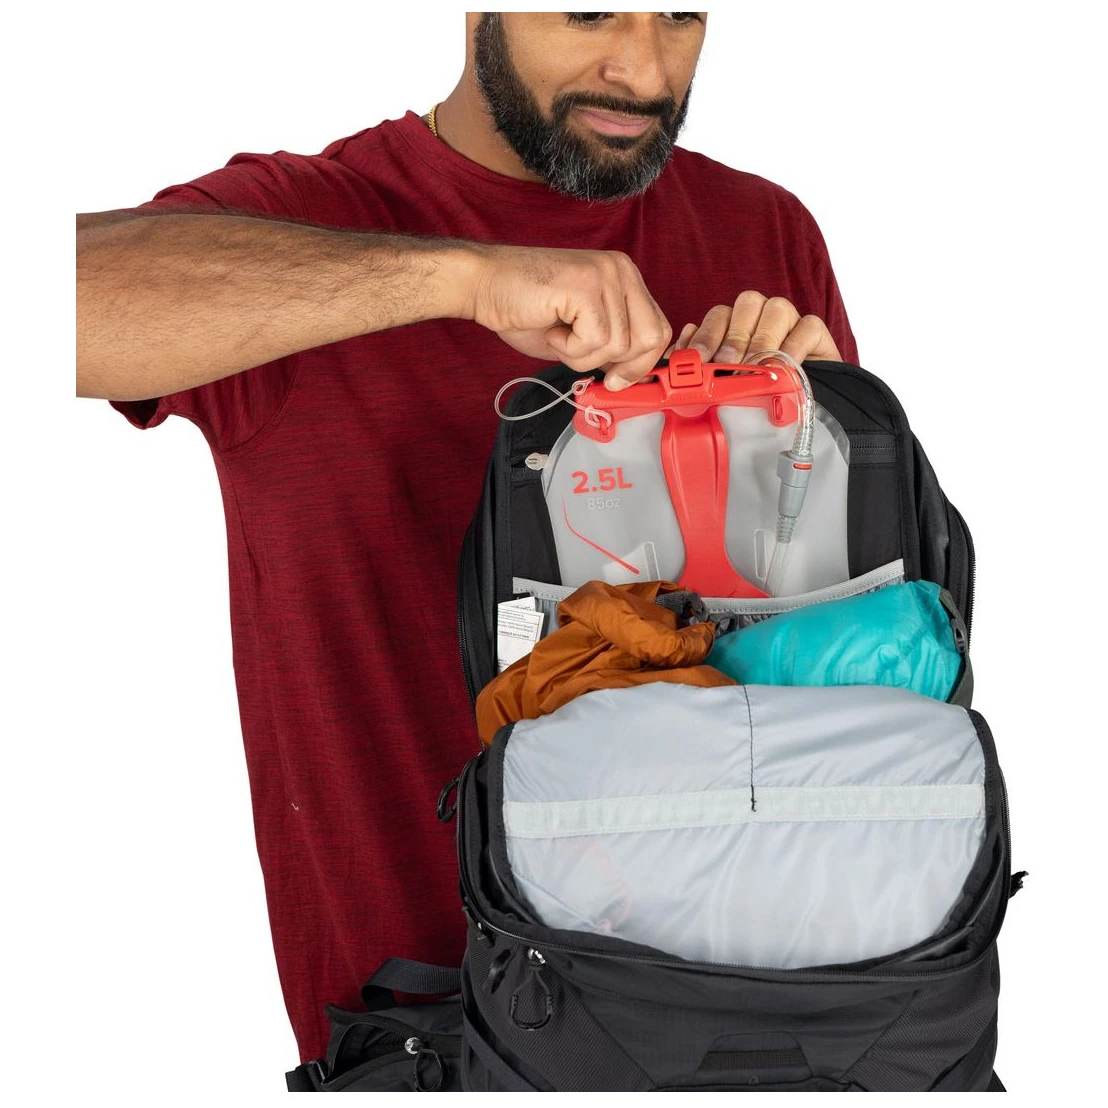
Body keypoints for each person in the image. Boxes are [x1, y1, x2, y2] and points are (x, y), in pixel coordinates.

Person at [76, 12, 856, 1067]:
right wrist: (464, 279)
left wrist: (818, 425)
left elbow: (849, 653)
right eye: (588, 9)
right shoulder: (308, 219)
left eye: (680, 14)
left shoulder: (762, 230)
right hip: (439, 1029)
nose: (642, 69)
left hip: (785, 1010)